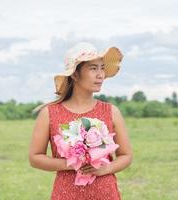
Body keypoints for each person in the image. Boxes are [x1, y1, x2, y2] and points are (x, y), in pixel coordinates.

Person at [28, 42, 133, 200]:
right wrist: (70, 163)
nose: (101, 75)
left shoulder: (111, 112)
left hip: (105, 193)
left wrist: (105, 168)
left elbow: (126, 155)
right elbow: (35, 158)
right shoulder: (49, 113)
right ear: (75, 74)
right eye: (93, 68)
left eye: (102, 67)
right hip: (66, 194)